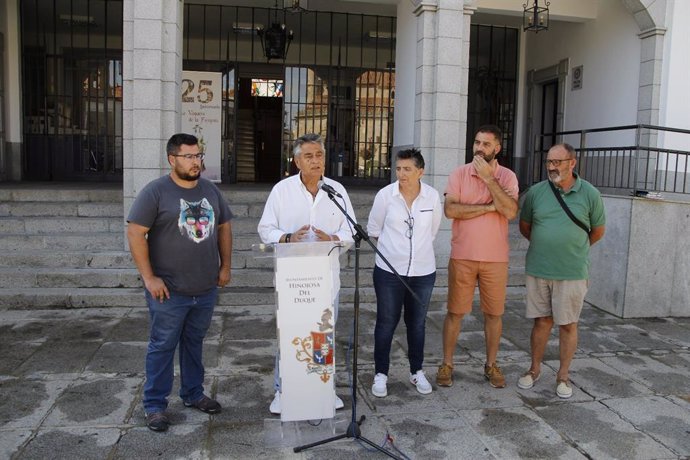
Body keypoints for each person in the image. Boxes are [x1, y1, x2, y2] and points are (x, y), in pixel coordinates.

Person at [127, 133, 233, 432]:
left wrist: (226, 266)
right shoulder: (156, 192)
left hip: (205, 287)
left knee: (194, 343)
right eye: (189, 156)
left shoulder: (211, 191)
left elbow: (224, 227)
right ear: (172, 159)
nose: (196, 161)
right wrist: (149, 278)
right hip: (169, 290)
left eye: (198, 155)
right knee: (162, 346)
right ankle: (155, 405)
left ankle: (192, 394)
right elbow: (136, 233)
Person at [257, 133, 355, 415]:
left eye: (319, 155)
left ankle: (323, 388)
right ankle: (282, 389)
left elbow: (351, 231)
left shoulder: (336, 191)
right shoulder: (282, 190)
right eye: (309, 156)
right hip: (292, 278)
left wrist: (332, 237)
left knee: (322, 335)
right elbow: (265, 229)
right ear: (297, 160)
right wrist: (288, 238)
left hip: (326, 279)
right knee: (290, 334)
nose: (315, 161)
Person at [517, 143, 605, 399]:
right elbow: (525, 226)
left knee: (568, 324)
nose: (552, 167)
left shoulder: (590, 193)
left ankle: (563, 375)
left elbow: (597, 231)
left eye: (557, 162)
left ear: (572, 163)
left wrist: (572, 248)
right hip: (539, 268)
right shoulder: (536, 192)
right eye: (549, 162)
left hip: (572, 271)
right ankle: (534, 370)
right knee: (541, 322)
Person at [436, 124, 519, 389]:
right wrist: (488, 207)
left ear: (497, 148)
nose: (479, 148)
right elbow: (451, 210)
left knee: (494, 314)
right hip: (463, 254)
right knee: (455, 312)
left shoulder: (507, 177)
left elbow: (509, 212)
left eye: (485, 144)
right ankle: (447, 364)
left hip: (495, 258)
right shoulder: (459, 174)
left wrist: (489, 180)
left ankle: (491, 364)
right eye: (476, 142)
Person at [367, 148, 442, 398]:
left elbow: (432, 231)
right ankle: (381, 374)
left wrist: (414, 253)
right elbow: (374, 229)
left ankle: (417, 370)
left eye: (407, 169)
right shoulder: (385, 196)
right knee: (386, 323)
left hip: (423, 272)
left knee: (417, 324)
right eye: (398, 169)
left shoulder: (431, 197)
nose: (401, 174)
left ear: (421, 171)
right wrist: (396, 252)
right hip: (389, 272)